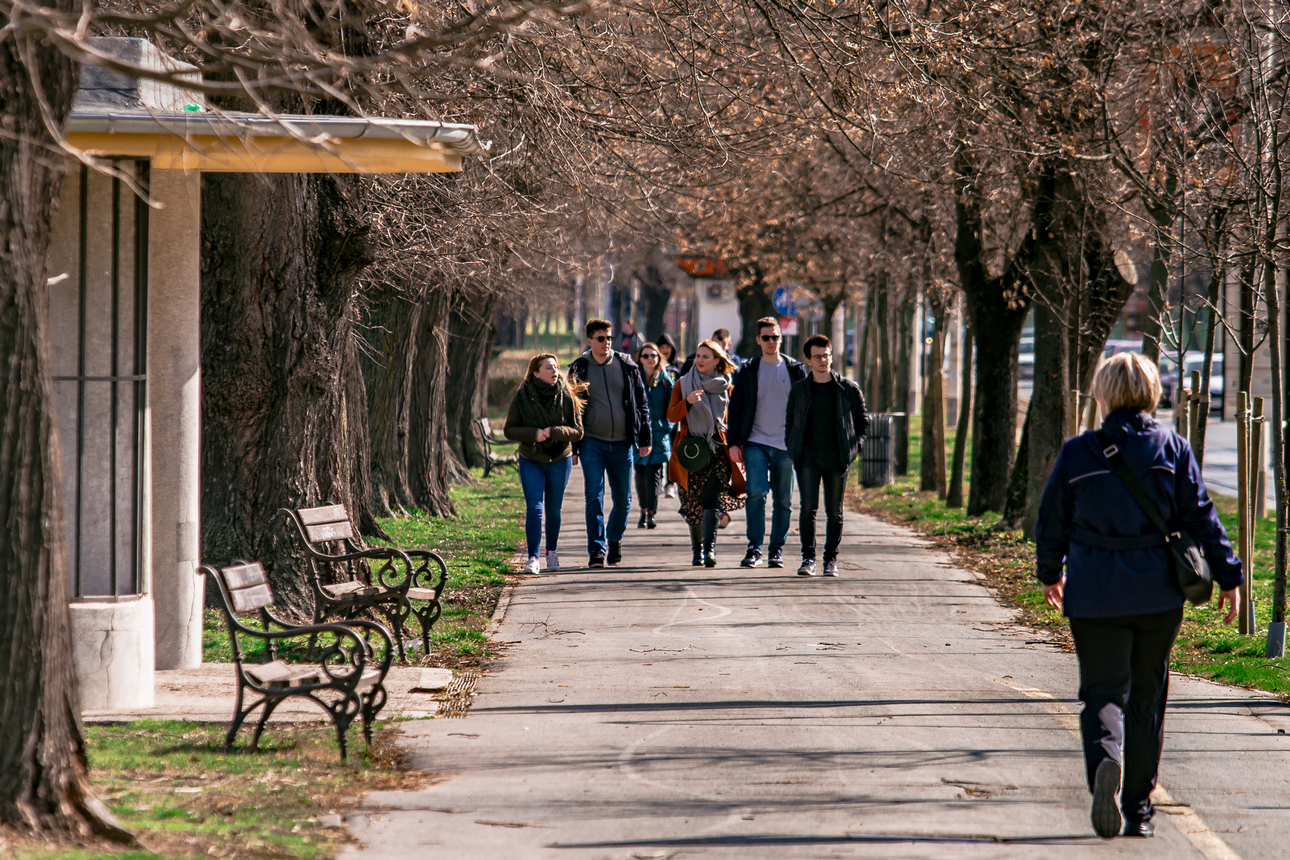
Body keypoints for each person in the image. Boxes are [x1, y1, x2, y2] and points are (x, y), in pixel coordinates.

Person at [1035, 352, 1242, 839]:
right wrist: (1229, 576)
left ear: (1103, 393)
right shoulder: (1172, 448)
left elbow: (1051, 520)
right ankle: (1139, 810)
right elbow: (1201, 516)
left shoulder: (1078, 453)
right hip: (1158, 595)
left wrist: (1050, 573)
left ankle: (1106, 761)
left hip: (1094, 594)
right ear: (1152, 392)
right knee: (1147, 699)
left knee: (1102, 692)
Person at [568, 319, 651, 568]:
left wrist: (645, 437)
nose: (607, 343)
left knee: (624, 500)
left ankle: (614, 539)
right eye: (601, 339)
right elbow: (571, 410)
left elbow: (641, 403)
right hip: (592, 443)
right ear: (590, 341)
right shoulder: (579, 368)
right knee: (594, 497)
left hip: (623, 444)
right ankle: (596, 550)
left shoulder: (626, 365)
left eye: (610, 338)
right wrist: (574, 447)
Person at [785, 334, 868, 577]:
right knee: (808, 508)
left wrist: (855, 448)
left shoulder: (848, 389)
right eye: (818, 356)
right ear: (808, 360)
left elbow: (863, 422)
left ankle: (830, 560)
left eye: (826, 355)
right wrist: (793, 447)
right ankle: (808, 559)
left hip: (837, 457)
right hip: (808, 457)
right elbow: (790, 421)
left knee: (834, 511)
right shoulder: (799, 389)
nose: (823, 360)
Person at [727, 317, 807, 569]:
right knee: (756, 493)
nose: (771, 341)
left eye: (775, 337)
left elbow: (807, 408)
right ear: (758, 340)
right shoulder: (749, 370)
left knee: (783, 500)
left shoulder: (795, 370)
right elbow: (736, 408)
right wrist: (733, 443)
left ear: (781, 338)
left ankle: (776, 551)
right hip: (756, 442)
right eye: (766, 337)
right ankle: (754, 549)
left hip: (786, 445)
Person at [504, 354, 585, 574]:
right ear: (536, 373)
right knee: (534, 508)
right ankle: (533, 558)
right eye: (549, 367)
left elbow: (578, 431)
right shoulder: (522, 396)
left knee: (553, 510)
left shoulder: (567, 395)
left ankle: (552, 553)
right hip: (531, 458)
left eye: (556, 367)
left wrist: (554, 432)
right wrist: (534, 434)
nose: (555, 371)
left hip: (560, 459)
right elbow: (509, 430)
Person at [667, 340, 745, 567]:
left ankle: (709, 549)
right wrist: (688, 402)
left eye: (705, 357)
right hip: (691, 452)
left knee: (711, 498)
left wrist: (738, 447)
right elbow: (671, 415)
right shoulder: (682, 384)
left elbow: (734, 422)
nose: (699, 360)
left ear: (717, 361)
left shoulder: (727, 387)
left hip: (718, 450)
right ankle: (697, 550)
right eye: (698, 356)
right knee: (693, 502)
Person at [634, 343, 675, 529]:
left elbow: (673, 406)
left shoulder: (666, 380)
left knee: (654, 475)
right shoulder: (634, 379)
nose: (650, 358)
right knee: (640, 476)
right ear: (640, 359)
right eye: (646, 356)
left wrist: (665, 427)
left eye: (653, 355)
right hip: (638, 436)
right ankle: (643, 510)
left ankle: (651, 513)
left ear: (659, 358)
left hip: (659, 436)